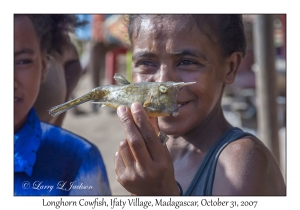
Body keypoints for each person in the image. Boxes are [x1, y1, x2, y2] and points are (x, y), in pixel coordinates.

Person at [114, 14, 286, 195]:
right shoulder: (152, 159)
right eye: (146, 63)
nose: (162, 84)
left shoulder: (242, 163)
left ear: (230, 67)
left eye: (187, 62)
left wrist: (158, 194)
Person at [14, 14, 111, 195]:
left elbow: (74, 62)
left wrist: (56, 123)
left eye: (22, 61)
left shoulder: (77, 160)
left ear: (43, 65)